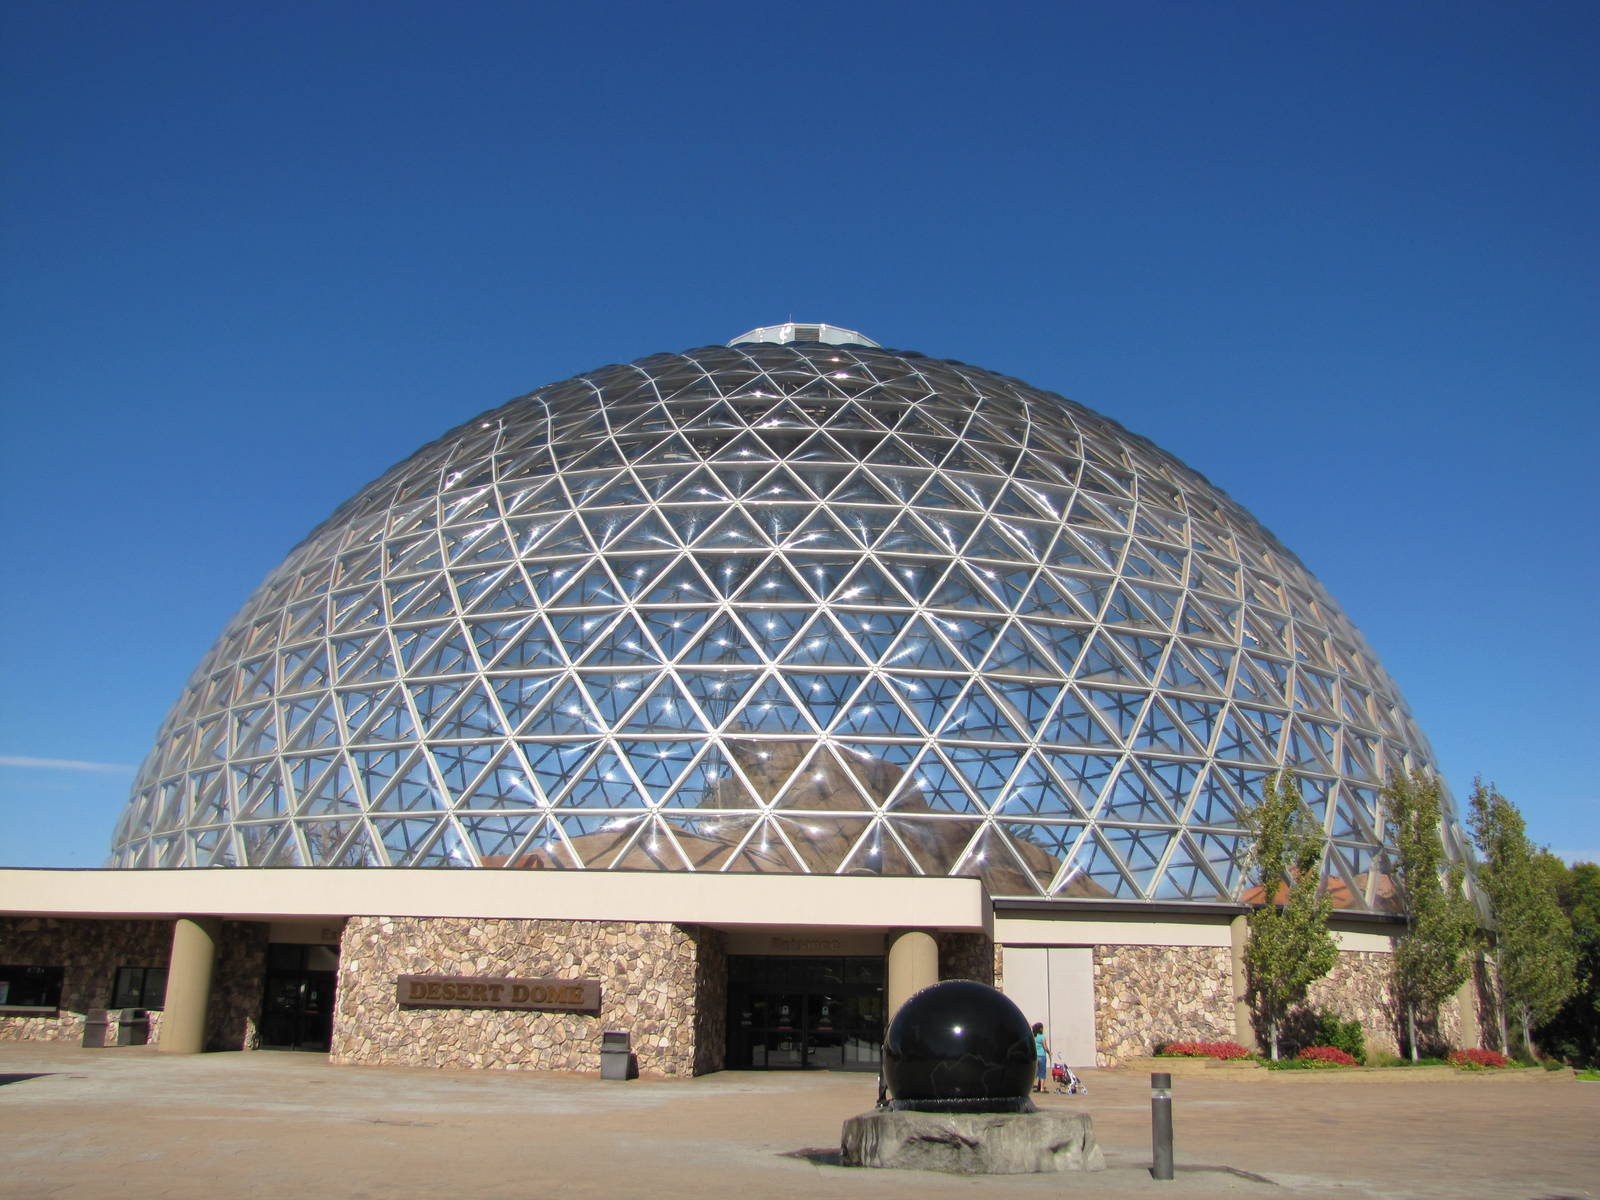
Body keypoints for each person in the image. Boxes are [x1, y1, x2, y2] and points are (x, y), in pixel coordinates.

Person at [1032, 1021, 1048, 1093]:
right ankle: (1041, 1088)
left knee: (1035, 1072)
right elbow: (1045, 1047)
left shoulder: (1034, 1036)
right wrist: (1049, 1052)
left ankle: (1033, 1086)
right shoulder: (1042, 1036)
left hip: (1035, 1056)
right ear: (1040, 1029)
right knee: (1042, 1072)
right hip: (1042, 1056)